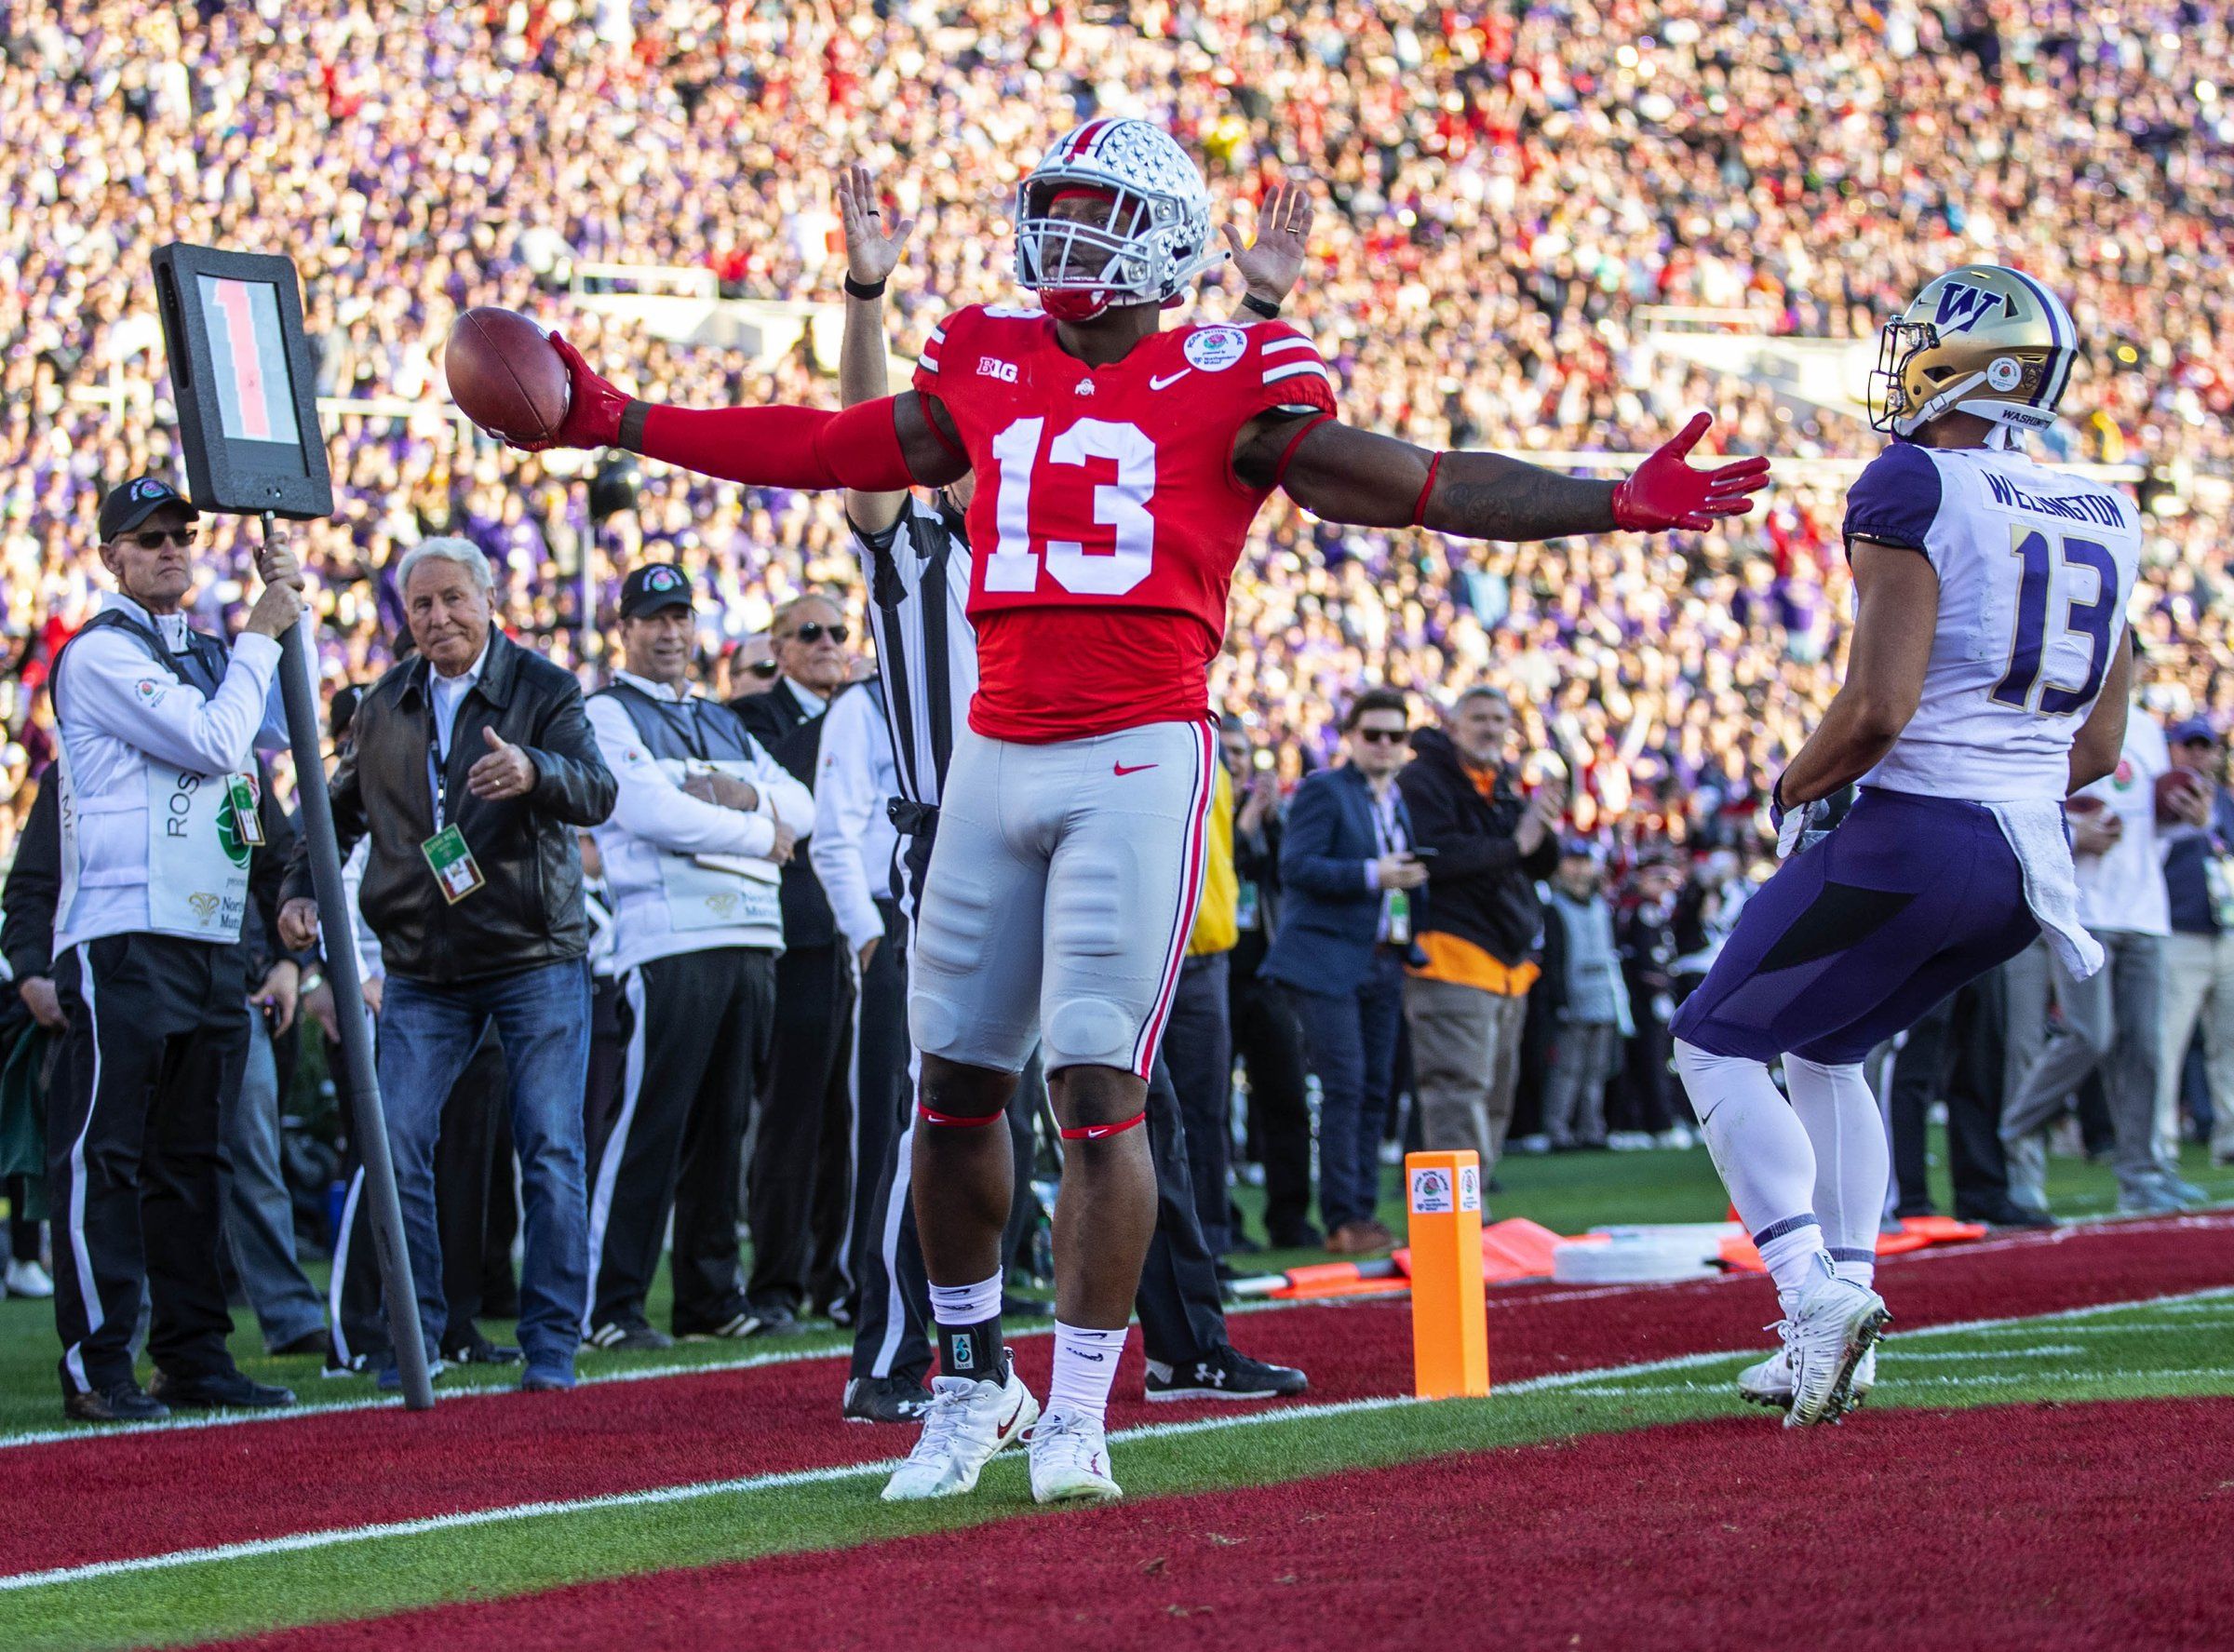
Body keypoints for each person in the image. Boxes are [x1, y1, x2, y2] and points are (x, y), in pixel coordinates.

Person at [514, 118, 1766, 1500]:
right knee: (951, 1091)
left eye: (1099, 213)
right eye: (1054, 208)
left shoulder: (1236, 373)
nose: (1067, 236)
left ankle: (1082, 1405)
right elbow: (827, 444)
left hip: (1136, 751)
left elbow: (1417, 482)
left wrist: (1608, 500)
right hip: (996, 749)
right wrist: (613, 417)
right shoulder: (987, 355)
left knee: (1100, 1088)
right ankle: (970, 1377)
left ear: (1169, 239)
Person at [827, 163, 1306, 1426]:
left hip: (1105, 800)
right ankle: (927, 1361)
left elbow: (1176, 439)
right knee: (945, 1109)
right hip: (956, 831)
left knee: (1120, 1101)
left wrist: (1250, 320)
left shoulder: (1102, 516)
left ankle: (1165, 1344)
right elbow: (863, 454)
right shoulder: (912, 542)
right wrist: (867, 292)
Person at [1668, 265, 2140, 1426]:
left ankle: (1807, 1290)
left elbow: (1878, 707)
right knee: (1831, 1052)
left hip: (1919, 830)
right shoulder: (2106, 505)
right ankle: (1848, 1329)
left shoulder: (1914, 477)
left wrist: (1792, 787)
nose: (1903, 358)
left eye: (1924, 342)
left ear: (1978, 366)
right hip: (2025, 862)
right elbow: (2102, 744)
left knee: (1714, 1043)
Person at [277, 536, 616, 1393]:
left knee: (548, 1145)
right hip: (423, 961)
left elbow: (598, 790)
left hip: (532, 950)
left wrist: (535, 768)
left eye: (453, 599)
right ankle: (415, 1335)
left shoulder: (544, 687)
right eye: (421, 605)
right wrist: (298, 886)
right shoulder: (387, 701)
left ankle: (549, 1349)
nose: (438, 618)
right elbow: (336, 806)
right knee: (395, 1145)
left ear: (490, 597)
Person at [45, 477, 304, 1421]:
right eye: (147, 537)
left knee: (193, 1158)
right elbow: (214, 738)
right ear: (110, 554)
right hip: (123, 932)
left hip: (204, 931)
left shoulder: (195, 651)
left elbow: (280, 728)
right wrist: (261, 634)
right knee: (105, 1152)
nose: (169, 549)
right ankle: (97, 1363)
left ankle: (193, 1355)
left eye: (181, 534)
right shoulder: (101, 654)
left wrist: (284, 609)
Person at [581, 562, 812, 1349]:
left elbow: (801, 804)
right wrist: (757, 827)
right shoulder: (605, 713)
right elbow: (651, 813)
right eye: (654, 618)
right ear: (626, 630)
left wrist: (737, 796)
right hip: (668, 940)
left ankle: (709, 1296)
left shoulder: (721, 717)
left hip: (749, 934)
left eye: (680, 616)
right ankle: (610, 1303)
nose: (672, 631)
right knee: (650, 1123)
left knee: (721, 1129)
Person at [1998, 697, 2194, 1215]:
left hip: (2145, 908)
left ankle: (2142, 1175)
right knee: (2088, 1035)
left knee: (2147, 1049)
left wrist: (2184, 819)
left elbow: (2154, 829)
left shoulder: (2150, 729)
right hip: (2080, 908)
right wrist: (2071, 834)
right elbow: (2025, 807)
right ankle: (2016, 1138)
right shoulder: (2056, 719)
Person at [728, 591, 859, 1333]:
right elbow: (786, 796)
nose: (828, 642)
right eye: (809, 631)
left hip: (855, 933)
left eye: (839, 630)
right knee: (791, 1114)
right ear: (776, 648)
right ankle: (774, 1281)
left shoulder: (867, 712)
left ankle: (833, 1278)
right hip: (795, 934)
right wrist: (846, 721)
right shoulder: (750, 719)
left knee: (848, 1115)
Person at [1261, 688, 1428, 1254]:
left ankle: (1360, 1211)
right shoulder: (1324, 789)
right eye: (1373, 734)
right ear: (1351, 737)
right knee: (1347, 1086)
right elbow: (1296, 867)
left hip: (1382, 959)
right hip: (1326, 961)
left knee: (1375, 1090)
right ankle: (1341, 1218)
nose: (1384, 745)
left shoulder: (1393, 798)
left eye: (1395, 736)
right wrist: (1371, 874)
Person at [1396, 688, 1561, 1179]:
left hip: (1505, 966)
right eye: (1480, 719)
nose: (1491, 729)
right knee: (1456, 1093)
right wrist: (1517, 840)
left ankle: (1477, 1203)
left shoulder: (1499, 782)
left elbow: (1539, 863)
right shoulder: (1421, 779)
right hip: (1450, 959)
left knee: (1492, 1098)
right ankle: (1456, 1224)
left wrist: (1542, 826)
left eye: (1499, 719)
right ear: (1452, 725)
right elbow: (1436, 858)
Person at [808, 668, 905, 1331]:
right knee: (880, 1110)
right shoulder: (864, 703)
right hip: (889, 916)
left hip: (952, 907)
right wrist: (867, 935)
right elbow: (832, 832)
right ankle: (861, 1277)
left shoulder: (967, 684)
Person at [1221, 718, 1317, 1249]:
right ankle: (1224, 1223)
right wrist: (1244, 827)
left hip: (1269, 975)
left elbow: (1292, 878)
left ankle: (1291, 1217)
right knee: (1210, 1108)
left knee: (1286, 1099)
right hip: (1212, 977)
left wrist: (1271, 824)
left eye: (1242, 754)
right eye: (1226, 752)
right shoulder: (1198, 814)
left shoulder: (1276, 822)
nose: (1236, 763)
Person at [2155, 717, 2234, 1167]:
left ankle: (2229, 1139)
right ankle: (2160, 1142)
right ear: (2175, 749)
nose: (2199, 754)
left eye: (2206, 746)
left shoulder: (2224, 800)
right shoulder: (2160, 797)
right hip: (2180, 934)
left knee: (2230, 1045)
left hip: (2225, 935)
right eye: (2191, 746)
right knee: (2167, 1045)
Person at [1538, 841, 1630, 1151]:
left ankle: (1592, 1128)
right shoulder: (1554, 909)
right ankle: (1558, 1130)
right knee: (1567, 1070)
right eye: (1572, 862)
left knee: (1596, 1072)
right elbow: (1552, 961)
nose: (1578, 870)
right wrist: (1559, 1001)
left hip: (1603, 998)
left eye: (1584, 862)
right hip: (1573, 999)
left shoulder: (1602, 907)